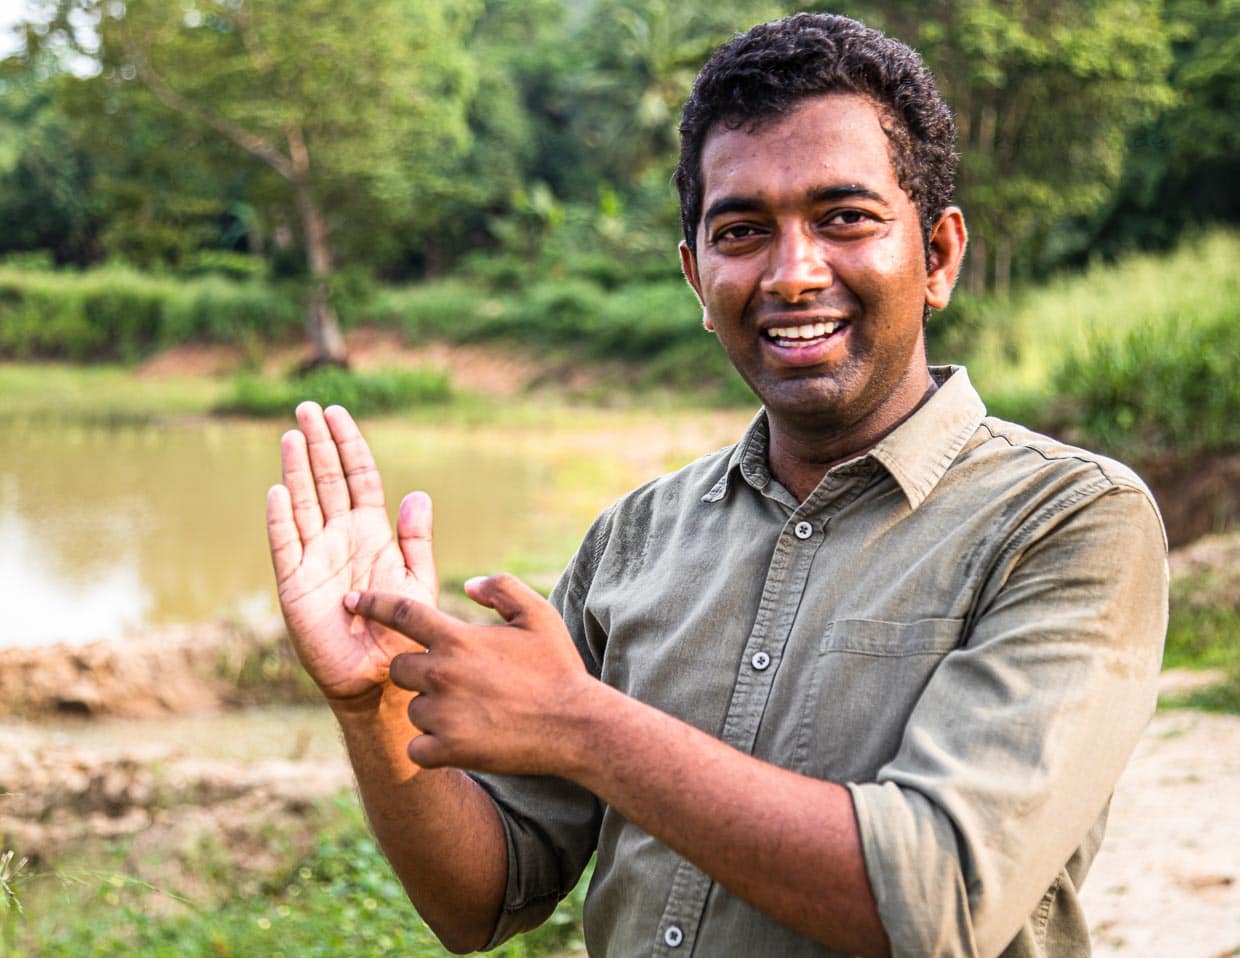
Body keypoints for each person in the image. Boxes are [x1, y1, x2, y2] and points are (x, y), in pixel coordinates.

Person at [265, 13, 1167, 957]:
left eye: (844, 218)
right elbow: (479, 899)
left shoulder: (1070, 521)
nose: (792, 272)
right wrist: (374, 703)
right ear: (699, 277)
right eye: (743, 231)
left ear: (937, 255)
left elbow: (940, 894)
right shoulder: (636, 538)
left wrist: (585, 725)